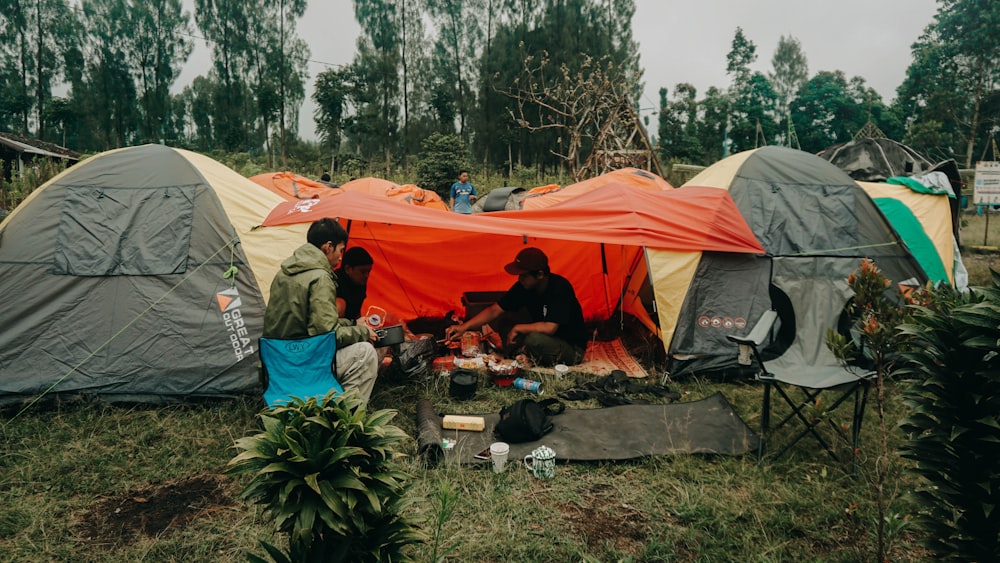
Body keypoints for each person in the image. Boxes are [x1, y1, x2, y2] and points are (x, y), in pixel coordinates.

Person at [263, 218, 380, 403]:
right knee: (365, 352)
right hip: (302, 362)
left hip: (277, 361)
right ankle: (345, 417)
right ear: (328, 247)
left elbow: (309, 323)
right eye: (341, 250)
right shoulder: (320, 278)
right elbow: (326, 335)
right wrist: (363, 332)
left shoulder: (283, 273)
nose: (341, 257)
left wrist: (350, 323)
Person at [444, 247, 586, 366]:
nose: (519, 279)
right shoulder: (523, 287)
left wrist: (519, 328)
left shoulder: (560, 287)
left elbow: (550, 327)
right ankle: (521, 355)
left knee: (533, 339)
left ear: (540, 274)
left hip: (570, 348)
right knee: (505, 322)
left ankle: (525, 355)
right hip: (543, 339)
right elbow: (495, 310)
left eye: (523, 275)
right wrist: (463, 327)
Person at [334, 246, 374, 321]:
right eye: (363, 272)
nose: (366, 276)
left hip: (351, 323)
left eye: (368, 272)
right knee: (340, 304)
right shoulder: (333, 280)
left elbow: (356, 313)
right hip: (333, 324)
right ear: (348, 269)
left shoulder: (360, 283)